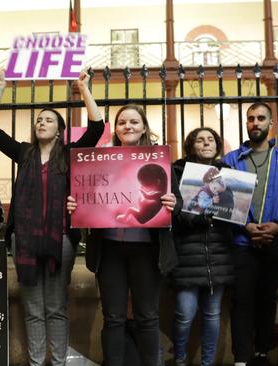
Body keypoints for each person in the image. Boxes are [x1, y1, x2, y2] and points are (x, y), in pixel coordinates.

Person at [0, 70, 104, 366]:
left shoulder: (71, 154)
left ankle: (58, 362)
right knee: (33, 308)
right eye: (39, 119)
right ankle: (38, 362)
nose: (41, 122)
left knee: (56, 307)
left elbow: (97, 127)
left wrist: (84, 88)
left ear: (61, 129)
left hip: (60, 239)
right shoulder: (24, 153)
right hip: (24, 241)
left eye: (49, 119)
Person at [67, 104, 181, 366]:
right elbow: (89, 199)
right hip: (110, 250)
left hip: (147, 252)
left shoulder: (159, 160)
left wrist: (174, 203)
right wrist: (77, 206)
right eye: (122, 123)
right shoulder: (98, 161)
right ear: (115, 129)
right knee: (114, 318)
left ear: (143, 127)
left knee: (148, 317)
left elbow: (180, 205)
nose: (127, 127)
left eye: (133, 122)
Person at [224, 102, 278, 366]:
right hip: (242, 240)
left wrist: (277, 225)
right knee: (241, 299)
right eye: (251, 118)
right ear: (246, 123)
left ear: (270, 123)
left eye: (261, 118)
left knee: (267, 297)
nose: (255, 123)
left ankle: (262, 353)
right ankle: (241, 358)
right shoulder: (231, 160)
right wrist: (245, 226)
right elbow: (223, 199)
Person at [172, 127, 235, 366]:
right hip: (187, 255)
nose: (206, 143)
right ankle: (179, 360)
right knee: (184, 314)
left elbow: (234, 209)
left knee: (212, 315)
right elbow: (176, 210)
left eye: (211, 140)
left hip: (218, 255)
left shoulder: (228, 174)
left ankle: (207, 363)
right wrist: (199, 216)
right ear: (191, 146)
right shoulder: (178, 171)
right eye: (200, 140)